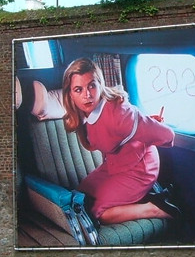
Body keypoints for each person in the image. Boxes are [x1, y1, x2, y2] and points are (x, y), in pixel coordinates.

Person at [61, 57, 178, 224]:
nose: (87, 95)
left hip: (140, 167)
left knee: (96, 213)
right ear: (70, 94)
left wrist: (146, 127)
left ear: (100, 85)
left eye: (92, 86)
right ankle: (139, 198)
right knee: (80, 198)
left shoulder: (118, 114)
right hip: (115, 164)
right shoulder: (81, 114)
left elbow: (167, 135)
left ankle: (154, 207)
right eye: (78, 89)